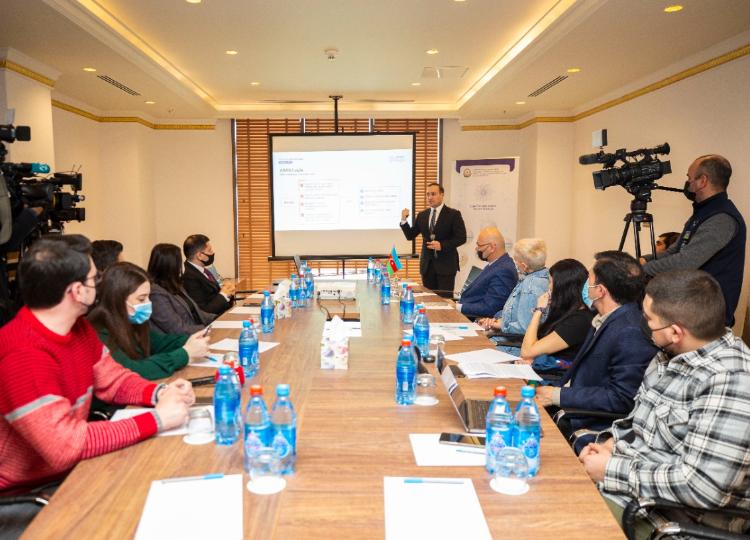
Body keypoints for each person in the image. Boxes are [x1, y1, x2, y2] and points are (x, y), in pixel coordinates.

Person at [0, 238, 193, 535]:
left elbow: (114, 380)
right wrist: (157, 419)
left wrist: (160, 393)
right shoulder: (22, 354)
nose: (100, 285)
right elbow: (64, 446)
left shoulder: (77, 328)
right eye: (95, 279)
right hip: (28, 496)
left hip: (68, 471)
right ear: (76, 291)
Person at [580, 270, 750, 538]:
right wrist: (611, 443)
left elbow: (702, 487)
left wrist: (611, 469)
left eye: (648, 318)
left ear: (675, 332)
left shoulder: (731, 380)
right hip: (627, 491)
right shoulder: (670, 354)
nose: (643, 323)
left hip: (666, 520)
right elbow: (641, 424)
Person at [536, 251, 658, 451]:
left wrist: (557, 395)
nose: (585, 285)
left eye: (589, 279)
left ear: (600, 290)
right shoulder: (605, 318)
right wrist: (550, 391)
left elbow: (621, 398)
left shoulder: (630, 332)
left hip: (587, 424)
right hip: (567, 407)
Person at [642, 155, 745, 326]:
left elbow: (685, 262)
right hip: (691, 306)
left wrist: (642, 270)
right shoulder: (703, 213)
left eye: (689, 178)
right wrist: (645, 260)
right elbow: (675, 250)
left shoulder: (721, 218)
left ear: (703, 181)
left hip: (707, 316)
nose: (687, 183)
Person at [88, 262, 211, 381]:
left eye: (148, 297)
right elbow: (132, 370)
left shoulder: (132, 321)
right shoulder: (99, 332)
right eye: (141, 299)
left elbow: (160, 342)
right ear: (118, 299)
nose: (148, 303)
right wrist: (184, 354)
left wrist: (189, 340)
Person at [517, 259, 593, 379]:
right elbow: (531, 349)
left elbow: (526, 352)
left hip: (553, 380)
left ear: (563, 288)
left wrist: (538, 310)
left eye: (551, 282)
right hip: (540, 371)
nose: (549, 287)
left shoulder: (578, 321)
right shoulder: (565, 312)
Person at [477, 238, 549, 352]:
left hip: (511, 346)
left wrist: (498, 325)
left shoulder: (530, 286)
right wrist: (495, 322)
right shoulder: (540, 277)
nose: (514, 264)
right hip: (506, 339)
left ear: (524, 266)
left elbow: (525, 327)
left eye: (516, 261)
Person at [400, 182, 467, 298]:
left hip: (446, 266)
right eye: (427, 194)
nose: (430, 197)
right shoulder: (422, 215)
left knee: (445, 301)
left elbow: (461, 238)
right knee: (428, 300)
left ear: (442, 195)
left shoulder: (453, 214)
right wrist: (403, 220)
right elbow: (410, 235)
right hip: (427, 267)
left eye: (433, 194)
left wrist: (442, 245)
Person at [148, 243, 216, 334]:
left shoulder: (175, 284)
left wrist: (217, 318)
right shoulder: (156, 293)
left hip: (197, 332)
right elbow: (176, 328)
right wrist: (207, 329)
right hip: (185, 338)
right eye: (179, 261)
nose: (182, 265)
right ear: (170, 265)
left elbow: (196, 311)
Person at [456, 227, 517, 319]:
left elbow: (490, 309)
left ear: (492, 247)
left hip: (473, 320)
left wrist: (457, 307)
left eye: (479, 245)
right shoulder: (496, 263)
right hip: (466, 314)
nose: (477, 249)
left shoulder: (504, 270)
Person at [182, 234, 235, 315]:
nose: (213, 252)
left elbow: (215, 295)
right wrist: (224, 294)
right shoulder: (188, 277)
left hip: (223, 314)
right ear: (200, 255)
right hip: (212, 320)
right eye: (210, 250)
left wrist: (228, 293)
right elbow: (203, 311)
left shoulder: (204, 270)